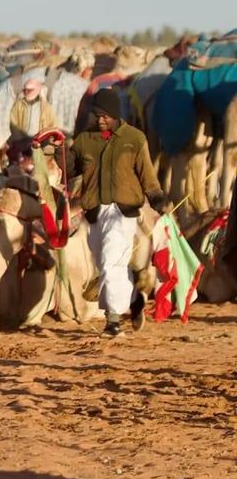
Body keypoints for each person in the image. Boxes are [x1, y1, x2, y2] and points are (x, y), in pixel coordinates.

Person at [66, 88, 167, 337]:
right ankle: (133, 299)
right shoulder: (84, 140)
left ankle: (113, 322)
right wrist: (52, 151)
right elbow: (70, 169)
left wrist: (158, 200)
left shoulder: (134, 139)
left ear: (115, 114)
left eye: (105, 116)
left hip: (123, 213)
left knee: (111, 262)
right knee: (106, 264)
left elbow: (148, 176)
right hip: (93, 212)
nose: (100, 120)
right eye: (97, 115)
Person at [8, 70, 58, 142]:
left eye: (29, 90)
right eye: (25, 90)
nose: (26, 92)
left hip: (40, 142)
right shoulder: (18, 105)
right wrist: (20, 140)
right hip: (21, 142)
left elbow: (53, 127)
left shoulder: (47, 108)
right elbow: (13, 124)